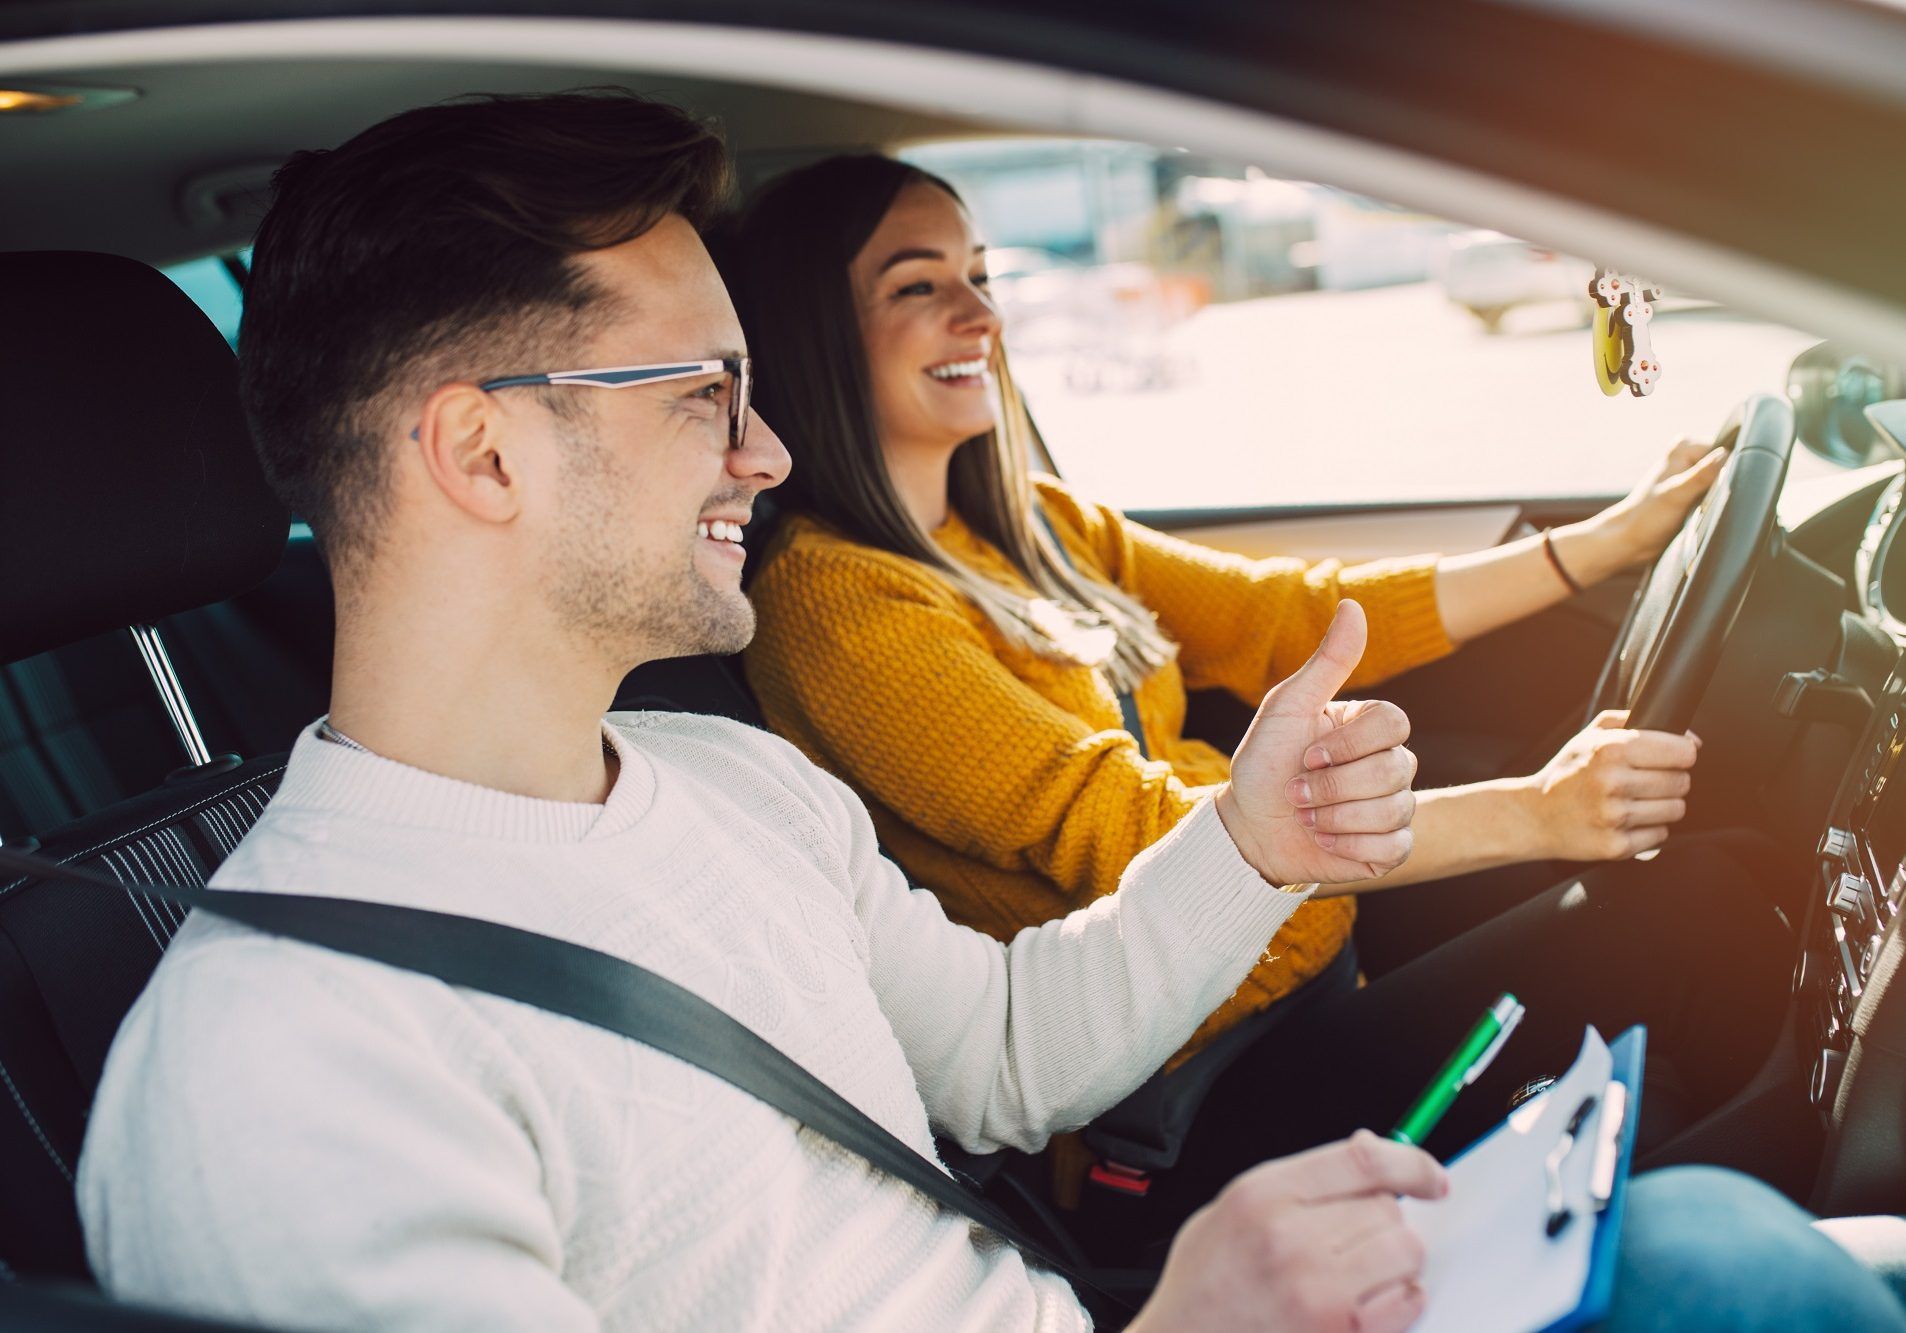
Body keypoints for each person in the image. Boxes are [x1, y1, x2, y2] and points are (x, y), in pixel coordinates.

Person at [73, 90, 1906, 1333]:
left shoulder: (724, 786)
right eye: (704, 392)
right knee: (1720, 1264)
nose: (768, 447)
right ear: (479, 449)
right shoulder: (273, 1081)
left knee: (1721, 1255)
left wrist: (1250, 841)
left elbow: (1012, 1053)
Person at [731, 154, 1793, 1166]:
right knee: (1704, 904)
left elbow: (1282, 617)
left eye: (981, 275)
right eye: (918, 287)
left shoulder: (1028, 525)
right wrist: (1536, 811)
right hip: (1197, 1089)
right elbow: (1139, 831)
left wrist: (1591, 547)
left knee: (1723, 876)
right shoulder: (837, 603)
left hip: (1307, 977)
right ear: (815, 331)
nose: (981, 315)